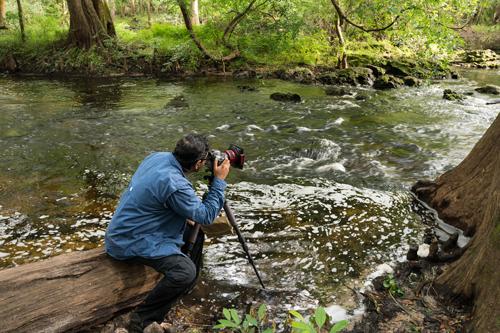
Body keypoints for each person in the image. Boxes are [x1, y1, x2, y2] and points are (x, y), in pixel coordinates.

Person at [105, 134, 230, 331]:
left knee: (194, 233)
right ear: (198, 163)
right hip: (131, 241)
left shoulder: (157, 157)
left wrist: (186, 212)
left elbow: (156, 196)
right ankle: (143, 319)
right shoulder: (175, 183)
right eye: (205, 159)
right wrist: (219, 182)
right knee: (185, 272)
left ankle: (184, 288)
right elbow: (206, 216)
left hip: (126, 228)